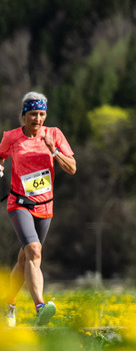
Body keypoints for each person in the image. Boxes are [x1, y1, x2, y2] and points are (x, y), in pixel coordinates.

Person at [0, 91, 76, 327]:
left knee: (25, 259)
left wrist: (54, 150)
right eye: (33, 114)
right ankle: (40, 307)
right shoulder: (11, 137)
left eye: (42, 114)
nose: (38, 119)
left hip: (45, 206)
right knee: (34, 251)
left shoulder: (54, 135)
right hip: (19, 204)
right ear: (24, 115)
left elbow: (72, 167)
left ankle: (8, 304)